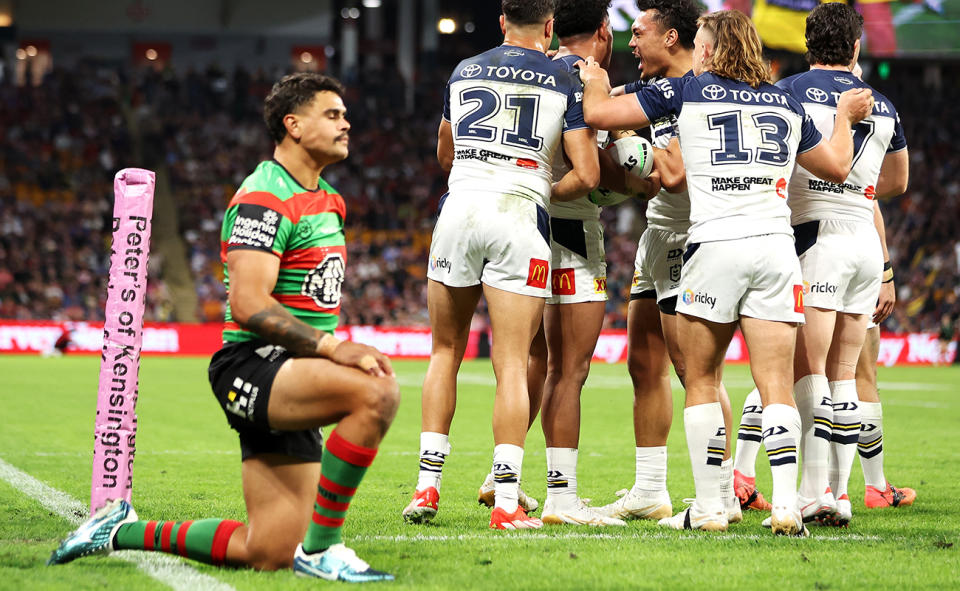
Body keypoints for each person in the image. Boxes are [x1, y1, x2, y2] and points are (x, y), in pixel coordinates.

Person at [49, 73, 401, 583]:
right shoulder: (263, 197)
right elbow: (248, 303)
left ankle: (118, 529)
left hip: (293, 370)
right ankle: (323, 550)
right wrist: (333, 348)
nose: (347, 123)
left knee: (268, 549)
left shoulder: (329, 200)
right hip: (252, 366)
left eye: (345, 115)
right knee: (377, 393)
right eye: (333, 114)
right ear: (293, 125)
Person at [578, 9, 873, 534]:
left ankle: (712, 506)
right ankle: (786, 506)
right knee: (776, 382)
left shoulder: (685, 90)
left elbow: (599, 115)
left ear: (708, 50)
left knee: (701, 380)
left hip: (713, 247)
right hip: (777, 250)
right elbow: (835, 168)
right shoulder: (785, 100)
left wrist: (595, 77)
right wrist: (845, 120)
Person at [402, 0, 600, 530]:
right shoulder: (563, 78)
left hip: (459, 210)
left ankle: (426, 487)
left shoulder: (464, 70)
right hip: (519, 217)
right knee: (512, 363)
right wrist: (537, 188)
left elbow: (445, 153)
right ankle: (507, 501)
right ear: (551, 25)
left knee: (444, 352)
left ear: (501, 22)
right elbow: (586, 172)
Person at [588, 0, 744, 526]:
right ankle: (650, 489)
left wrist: (622, 135)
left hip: (694, 236)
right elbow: (609, 112)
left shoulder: (700, 90)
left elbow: (615, 124)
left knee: (696, 371)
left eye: (641, 32)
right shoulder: (653, 93)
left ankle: (721, 493)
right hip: (657, 234)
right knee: (643, 363)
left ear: (673, 37)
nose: (633, 42)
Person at [775, 2, 908, 527]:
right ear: (856, 48)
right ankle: (844, 493)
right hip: (863, 245)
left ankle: (813, 491)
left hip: (814, 237)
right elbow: (896, 184)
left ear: (809, 46)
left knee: (808, 372)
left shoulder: (785, 93)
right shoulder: (885, 105)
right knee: (846, 375)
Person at [532, 0, 658, 528]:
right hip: (574, 230)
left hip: (523, 226)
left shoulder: (531, 68)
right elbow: (609, 175)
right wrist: (634, 160)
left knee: (525, 360)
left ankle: (503, 474)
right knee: (569, 369)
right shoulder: (594, 81)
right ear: (604, 31)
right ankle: (563, 497)